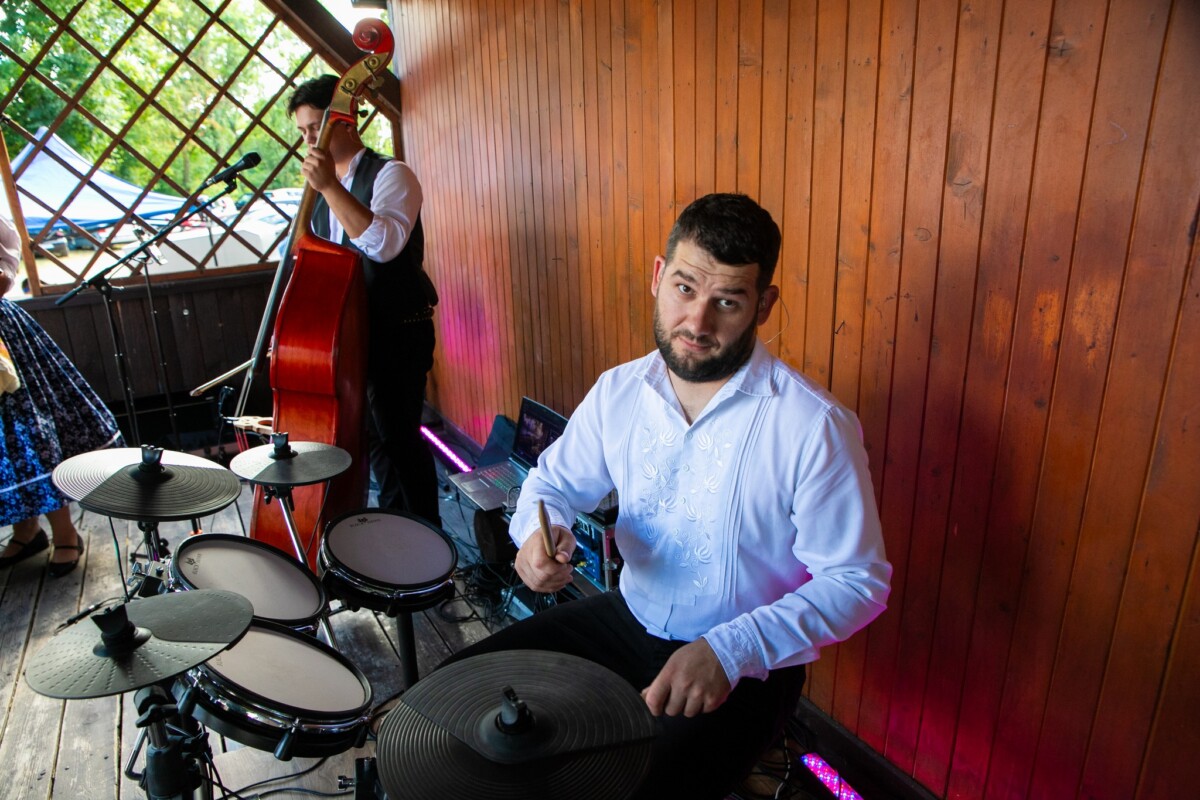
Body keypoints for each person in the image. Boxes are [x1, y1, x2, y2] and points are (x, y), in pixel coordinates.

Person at [445, 194, 891, 798]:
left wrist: (731, 651)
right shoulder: (620, 390)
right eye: (685, 288)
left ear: (763, 305)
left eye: (727, 301)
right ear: (659, 276)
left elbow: (857, 581)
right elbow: (552, 484)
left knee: (621, 788)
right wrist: (534, 536)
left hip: (746, 666)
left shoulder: (813, 426)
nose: (697, 323)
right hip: (627, 619)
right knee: (452, 699)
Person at [287, 75, 441, 526]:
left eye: (316, 127)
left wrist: (329, 188)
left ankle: (429, 542)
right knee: (374, 444)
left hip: (398, 330)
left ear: (345, 120)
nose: (309, 140)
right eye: (302, 132)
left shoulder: (392, 175)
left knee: (399, 439)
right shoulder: (318, 194)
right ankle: (393, 537)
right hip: (350, 337)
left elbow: (384, 246)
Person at [0, 216, 123, 576]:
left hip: (5, 342)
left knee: (32, 437)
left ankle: (66, 533)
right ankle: (27, 531)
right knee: (6, 450)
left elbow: (4, 277)